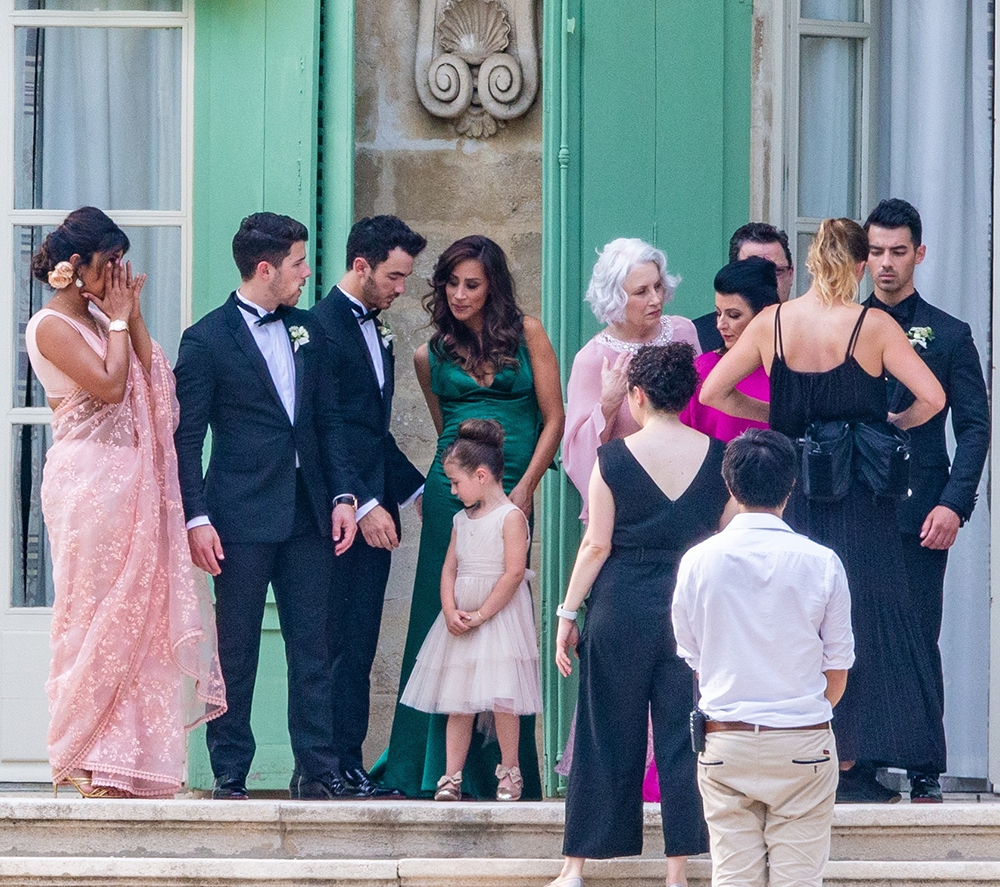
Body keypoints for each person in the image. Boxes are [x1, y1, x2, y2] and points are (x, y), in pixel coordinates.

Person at [700, 217, 947, 803]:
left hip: (796, 488)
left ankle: (800, 745)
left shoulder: (773, 322)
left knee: (796, 616)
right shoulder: (875, 324)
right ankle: (889, 756)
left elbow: (713, 393)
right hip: (861, 492)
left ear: (809, 264)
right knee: (874, 613)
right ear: (860, 265)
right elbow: (934, 397)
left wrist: (779, 420)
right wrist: (891, 423)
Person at [26, 206, 226, 798]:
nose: (117, 272)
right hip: (89, 489)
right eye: (108, 262)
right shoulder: (48, 326)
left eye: (121, 262)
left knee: (139, 621)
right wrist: (116, 320)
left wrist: (129, 315)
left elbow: (157, 385)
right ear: (75, 264)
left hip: (134, 485)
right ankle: (80, 756)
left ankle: (127, 762)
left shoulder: (101, 313)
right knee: (92, 618)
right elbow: (110, 386)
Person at [174, 212, 358, 801]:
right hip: (238, 519)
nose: (307, 274)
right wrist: (196, 518)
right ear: (265, 268)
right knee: (237, 649)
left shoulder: (310, 330)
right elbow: (186, 437)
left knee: (314, 644)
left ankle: (319, 769)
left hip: (309, 514)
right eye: (300, 263)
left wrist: (345, 495)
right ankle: (230, 771)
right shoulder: (205, 340)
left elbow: (330, 420)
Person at [375, 235, 563, 800]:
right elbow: (444, 436)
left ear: (493, 287)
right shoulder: (427, 354)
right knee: (442, 615)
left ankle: (502, 769)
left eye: (472, 284)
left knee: (503, 620)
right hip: (451, 494)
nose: (459, 294)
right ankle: (432, 768)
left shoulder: (529, 334)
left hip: (512, 496)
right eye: (451, 283)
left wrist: (525, 487)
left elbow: (554, 419)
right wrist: (459, 487)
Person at [547, 343, 733, 887]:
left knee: (605, 735)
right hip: (689, 610)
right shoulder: (722, 456)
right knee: (684, 736)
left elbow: (595, 546)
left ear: (637, 395)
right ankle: (678, 872)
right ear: (689, 393)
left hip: (620, 605)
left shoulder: (613, 458)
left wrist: (566, 611)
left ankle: (575, 867)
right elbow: (726, 538)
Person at [672, 429, 855, 887]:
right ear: (792, 486)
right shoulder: (822, 562)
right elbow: (838, 667)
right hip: (802, 741)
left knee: (732, 876)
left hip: (725, 741)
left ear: (730, 487)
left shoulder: (698, 561)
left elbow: (692, 653)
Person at [863, 198, 990, 803]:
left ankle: (921, 765)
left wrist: (954, 504)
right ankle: (856, 760)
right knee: (850, 631)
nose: (885, 264)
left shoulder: (949, 332)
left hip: (922, 507)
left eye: (897, 251)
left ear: (920, 252)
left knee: (917, 632)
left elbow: (975, 426)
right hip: (855, 505)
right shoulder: (843, 325)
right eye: (875, 252)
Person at [309, 215, 427, 798]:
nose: (402, 289)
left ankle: (349, 763)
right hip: (338, 517)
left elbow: (372, 431)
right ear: (361, 265)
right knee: (334, 644)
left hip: (375, 506)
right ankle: (322, 768)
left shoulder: (378, 331)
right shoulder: (319, 327)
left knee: (360, 642)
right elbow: (325, 426)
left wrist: (419, 489)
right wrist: (364, 502)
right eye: (395, 277)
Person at [400, 419, 542, 802]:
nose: (452, 490)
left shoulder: (512, 517)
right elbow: (450, 567)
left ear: (481, 476)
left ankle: (510, 772)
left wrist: (481, 615)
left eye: (456, 482)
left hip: (498, 618)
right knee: (457, 700)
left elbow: (514, 574)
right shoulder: (460, 520)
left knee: (503, 699)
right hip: (462, 619)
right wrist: (450, 609)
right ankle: (451, 775)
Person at [563, 237, 699, 522]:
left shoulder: (683, 332)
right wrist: (607, 405)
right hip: (630, 501)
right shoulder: (591, 359)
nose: (656, 299)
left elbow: (703, 409)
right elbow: (575, 453)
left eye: (658, 286)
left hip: (690, 485)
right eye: (641, 292)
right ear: (616, 297)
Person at [679, 257, 779, 441]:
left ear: (764, 314)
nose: (720, 324)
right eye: (718, 313)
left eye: (734, 315)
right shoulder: (703, 368)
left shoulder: (792, 369)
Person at [692, 223, 795, 353]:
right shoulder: (699, 337)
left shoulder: (810, 333)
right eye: (752, 273)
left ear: (791, 274)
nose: (768, 281)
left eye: (778, 271)